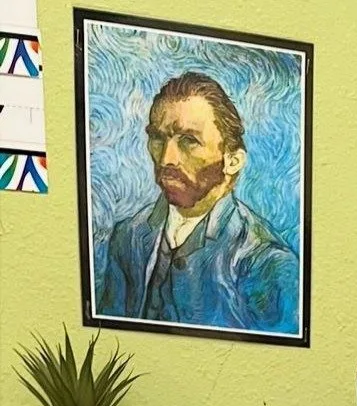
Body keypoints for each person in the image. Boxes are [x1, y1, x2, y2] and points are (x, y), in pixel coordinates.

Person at [98, 72, 298, 335]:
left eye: (189, 141)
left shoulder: (266, 263)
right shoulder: (128, 237)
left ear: (232, 160)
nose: (166, 159)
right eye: (158, 138)